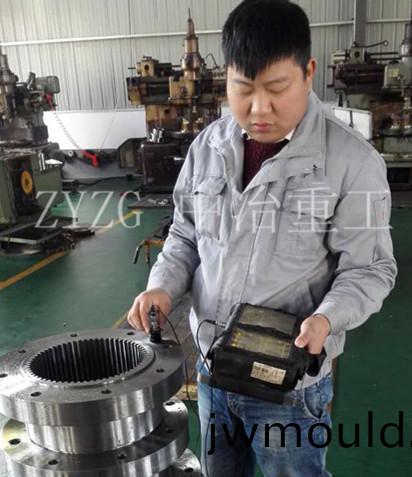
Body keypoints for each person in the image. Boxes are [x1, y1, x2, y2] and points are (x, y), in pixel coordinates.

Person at [127, 0, 397, 475]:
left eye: (276, 89)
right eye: (243, 89)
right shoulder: (208, 148)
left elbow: (370, 268)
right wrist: (162, 287)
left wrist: (327, 319)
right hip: (212, 370)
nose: (259, 109)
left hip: (287, 388)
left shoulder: (351, 163)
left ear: (308, 73)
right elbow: (185, 234)